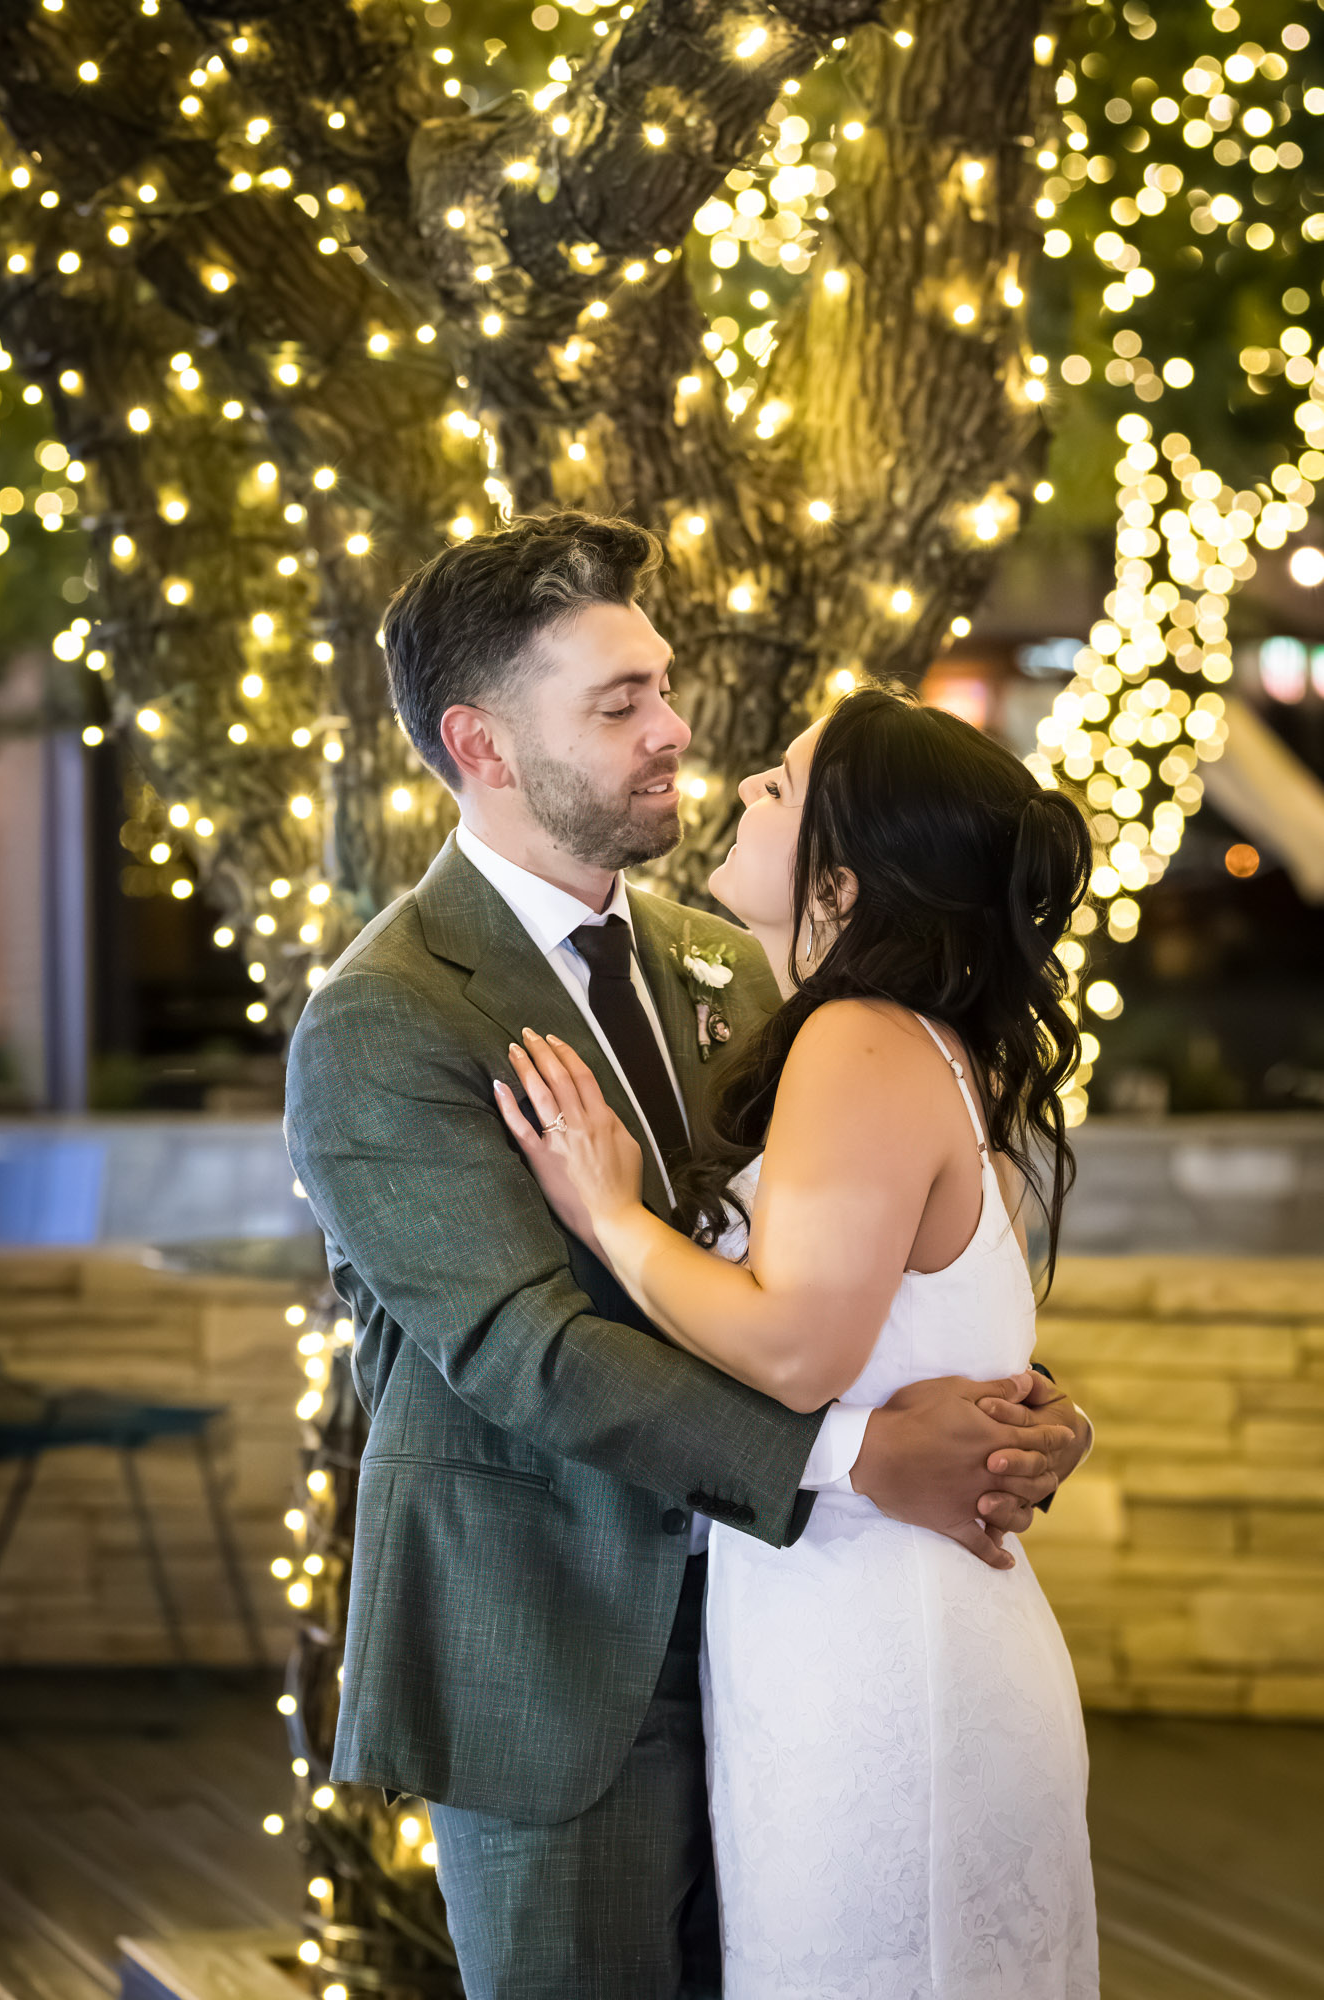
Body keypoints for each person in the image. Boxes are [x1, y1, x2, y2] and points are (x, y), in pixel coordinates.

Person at [284, 513, 1092, 2000]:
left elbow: (850, 1239)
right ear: (480, 743)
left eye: (658, 686)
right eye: (618, 706)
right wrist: (857, 1458)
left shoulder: (728, 958)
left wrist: (1007, 1404)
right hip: (558, 1656)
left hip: (793, 1642)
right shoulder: (383, 1017)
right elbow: (520, 1348)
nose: (677, 733)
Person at [498, 684, 1101, 1998]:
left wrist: (608, 1214)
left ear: (841, 877)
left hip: (878, 1653)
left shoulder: (855, 1039)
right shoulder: (917, 1046)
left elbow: (796, 1351)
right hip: (857, 1617)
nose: (738, 791)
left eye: (776, 784)